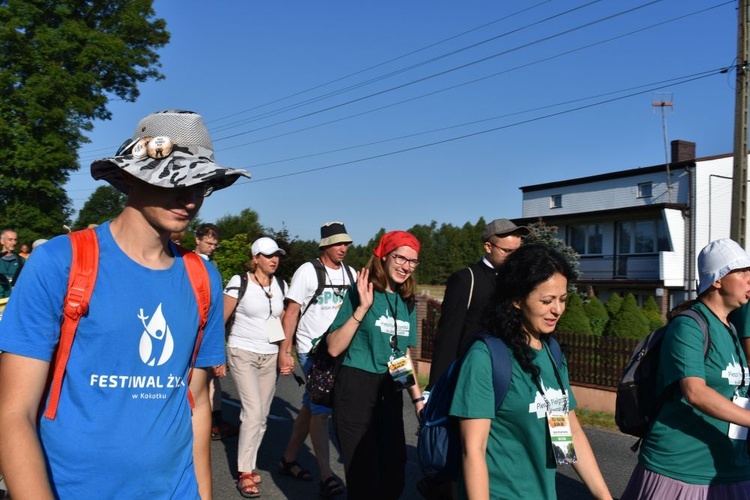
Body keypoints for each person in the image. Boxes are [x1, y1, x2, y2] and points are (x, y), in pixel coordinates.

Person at [0, 109, 250, 499]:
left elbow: (198, 403)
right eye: (175, 181)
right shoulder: (61, 262)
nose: (191, 198)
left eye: (201, 184)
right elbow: (13, 414)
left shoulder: (203, 278)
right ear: (133, 175)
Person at [449, 244, 611, 500]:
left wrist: (605, 496)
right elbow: (474, 449)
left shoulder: (552, 352)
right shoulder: (485, 357)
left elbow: (570, 431)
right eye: (546, 301)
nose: (557, 309)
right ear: (516, 299)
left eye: (563, 299)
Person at [621, 238, 750, 499]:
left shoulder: (731, 329)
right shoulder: (690, 326)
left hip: (728, 467)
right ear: (717, 280)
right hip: (680, 469)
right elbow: (695, 392)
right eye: (743, 273)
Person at [327, 230, 425, 499]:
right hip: (356, 388)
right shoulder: (362, 291)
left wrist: (417, 400)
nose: (406, 266)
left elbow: (402, 355)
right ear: (383, 256)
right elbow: (334, 346)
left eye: (412, 261)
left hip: (389, 392)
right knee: (364, 477)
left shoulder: (407, 302)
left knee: (394, 473)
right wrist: (361, 308)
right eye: (400, 258)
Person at [277, 221, 354, 498]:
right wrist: (285, 351)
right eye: (338, 243)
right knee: (321, 412)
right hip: (312, 352)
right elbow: (291, 313)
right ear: (325, 246)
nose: (343, 248)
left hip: (339, 353)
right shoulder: (307, 272)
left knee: (310, 407)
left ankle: (287, 459)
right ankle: (326, 475)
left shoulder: (351, 273)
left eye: (346, 243)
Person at [429, 218, 527, 387]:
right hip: (471, 375)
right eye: (507, 251)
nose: (513, 258)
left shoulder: (518, 282)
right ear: (488, 247)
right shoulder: (466, 279)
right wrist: (436, 387)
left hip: (508, 375)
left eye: (517, 252)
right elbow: (448, 337)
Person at [224, 237, 287, 498]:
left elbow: (281, 323)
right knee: (251, 412)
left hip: (269, 355)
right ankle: (244, 472)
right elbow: (221, 319)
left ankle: (249, 464)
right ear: (255, 258)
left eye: (277, 255)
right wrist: (216, 357)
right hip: (242, 351)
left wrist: (285, 353)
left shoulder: (281, 285)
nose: (274, 259)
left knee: (262, 416)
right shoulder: (239, 283)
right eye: (269, 255)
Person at [193, 222, 237, 441]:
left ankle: (213, 421)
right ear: (197, 240)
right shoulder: (187, 262)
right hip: (194, 330)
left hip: (208, 329)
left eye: (214, 244)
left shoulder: (213, 265)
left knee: (211, 380)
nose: (212, 247)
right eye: (208, 243)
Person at [0, 229, 25, 299]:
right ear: (2, 241)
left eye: (15, 240)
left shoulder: (21, 261)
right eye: (10, 240)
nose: (13, 242)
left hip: (15, 300)